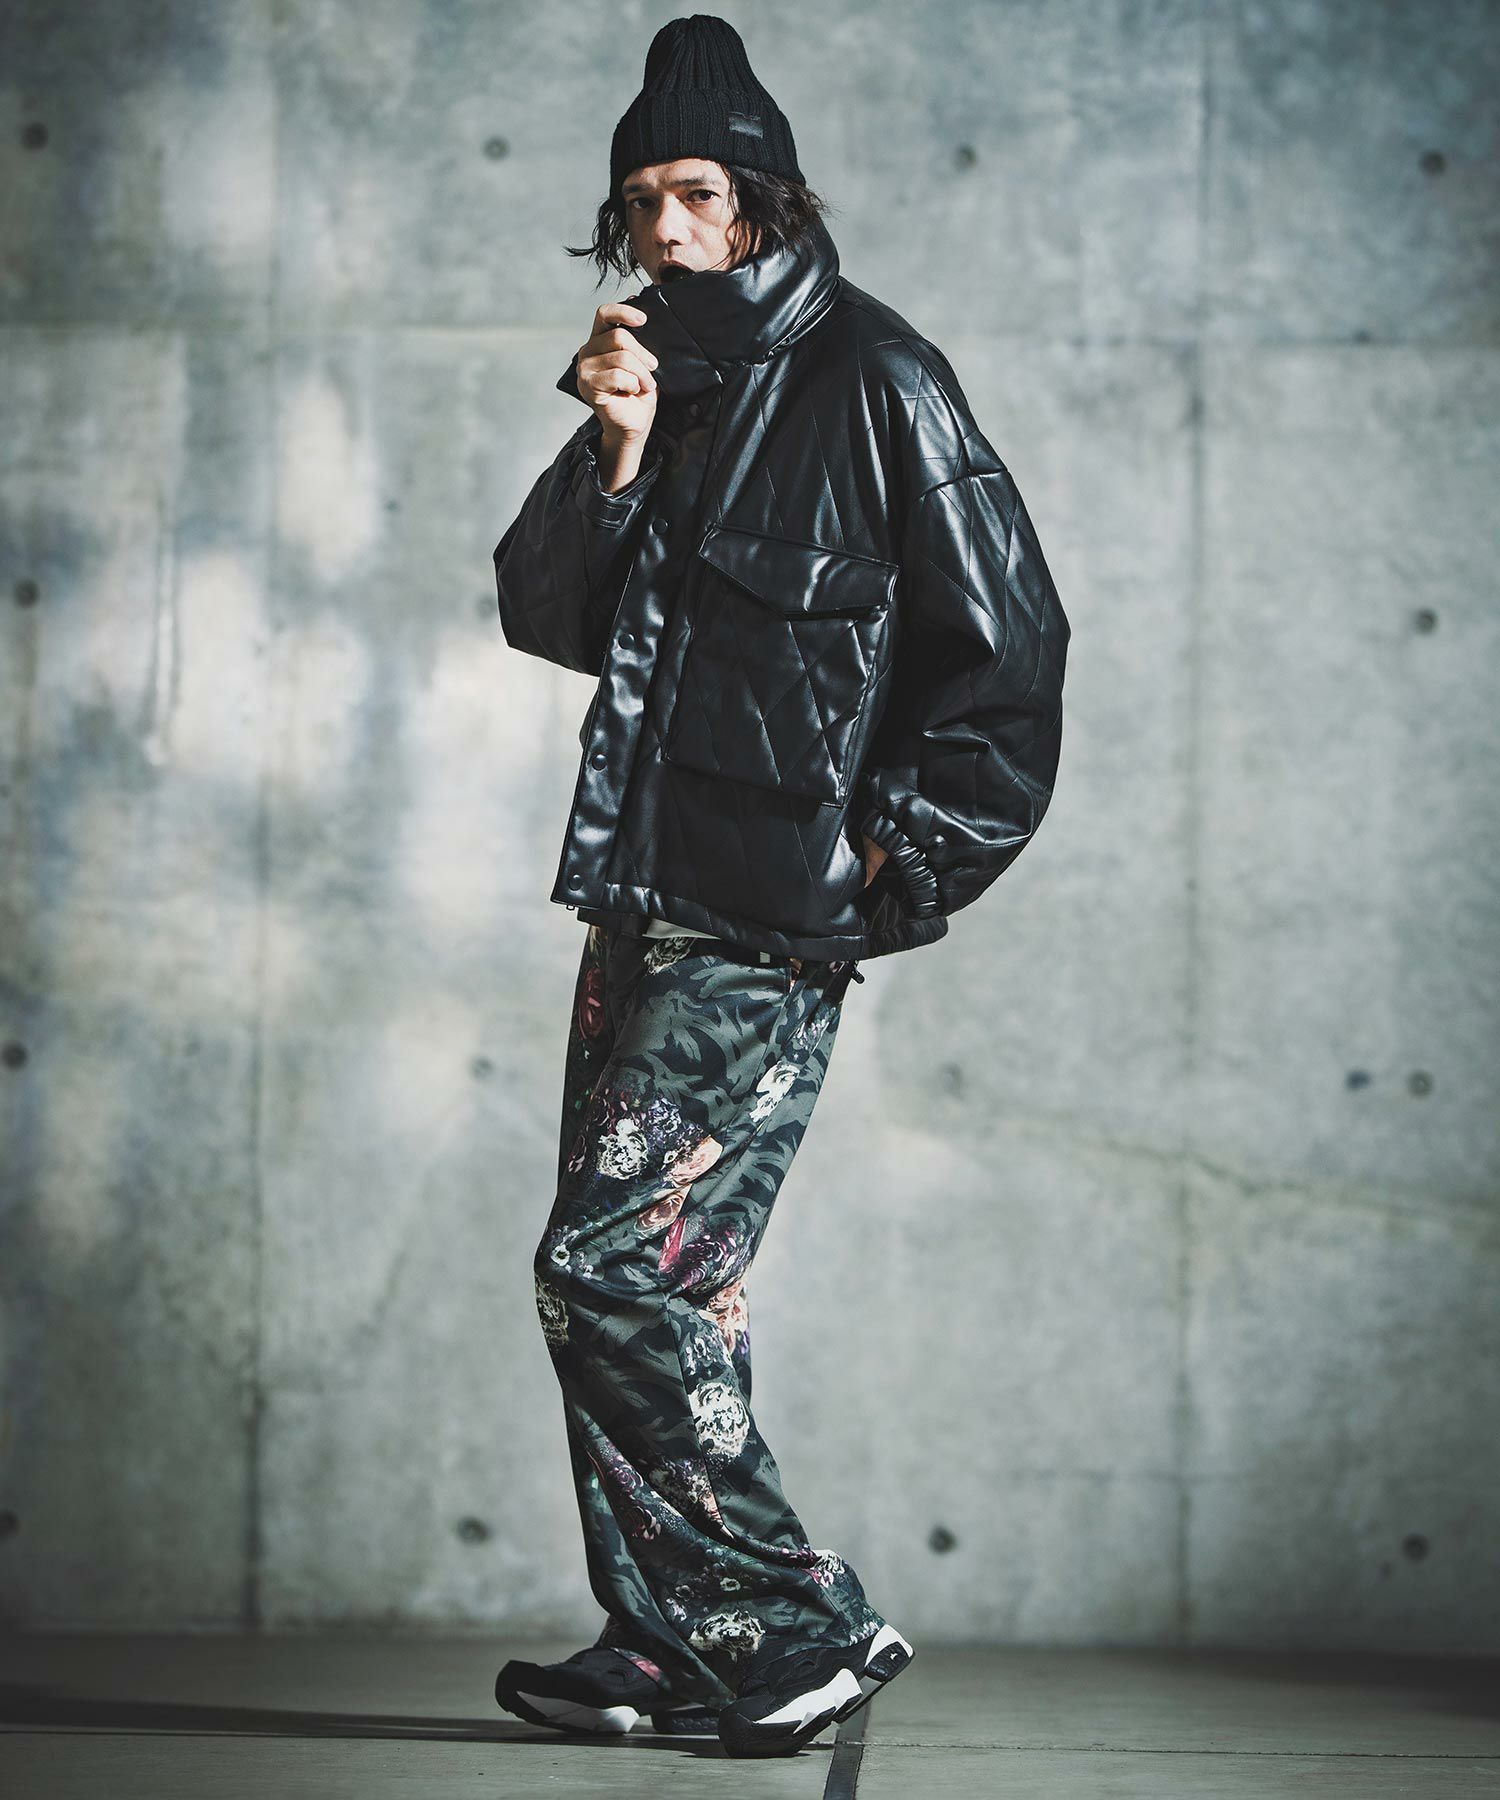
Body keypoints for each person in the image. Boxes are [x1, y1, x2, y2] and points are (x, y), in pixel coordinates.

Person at [491, 12, 1070, 1761]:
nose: (666, 232)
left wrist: (886, 868)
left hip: (761, 924)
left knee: (612, 1276)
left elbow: (1009, 653)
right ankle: (674, 1641)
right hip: (641, 900)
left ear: (763, 198)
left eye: (696, 194)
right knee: (669, 1291)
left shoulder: (880, 382)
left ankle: (801, 1628)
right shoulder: (660, 381)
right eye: (639, 203)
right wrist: (614, 447)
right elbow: (546, 615)